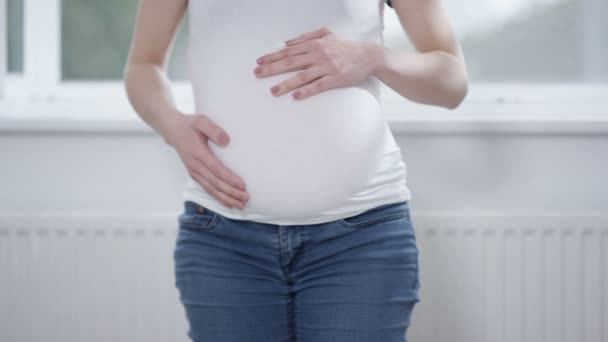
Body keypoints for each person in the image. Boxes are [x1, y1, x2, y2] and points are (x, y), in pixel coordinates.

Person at [123, 0, 468, 341]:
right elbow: (143, 64)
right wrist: (173, 126)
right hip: (224, 240)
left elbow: (451, 80)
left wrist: (373, 57)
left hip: (361, 238)